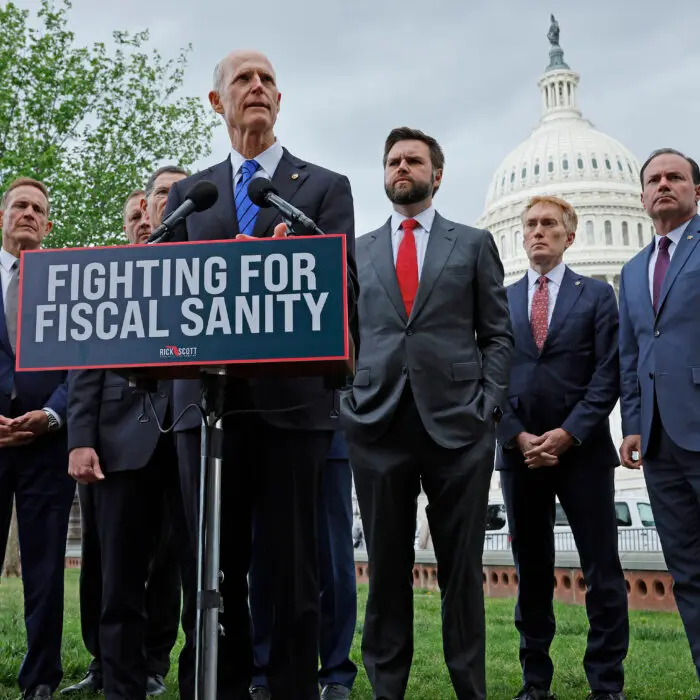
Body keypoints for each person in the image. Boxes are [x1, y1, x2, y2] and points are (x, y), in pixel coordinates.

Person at [163, 49, 357, 700]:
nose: (257, 87)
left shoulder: (323, 188)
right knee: (212, 576)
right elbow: (163, 293)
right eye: (242, 79)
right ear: (217, 102)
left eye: (268, 79)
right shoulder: (195, 194)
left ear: (280, 101)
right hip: (206, 411)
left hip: (292, 410)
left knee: (293, 581)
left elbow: (344, 289)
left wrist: (285, 270)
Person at [340, 126, 513, 700]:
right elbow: (346, 335)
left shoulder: (472, 243)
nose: (402, 167)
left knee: (460, 571)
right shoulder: (358, 251)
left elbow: (496, 333)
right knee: (386, 568)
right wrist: (348, 399)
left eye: (414, 160)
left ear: (436, 175)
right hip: (377, 423)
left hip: (459, 428)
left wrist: (487, 404)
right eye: (393, 161)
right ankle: (386, 688)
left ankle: (471, 688)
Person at [496, 195, 629, 700]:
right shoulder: (500, 300)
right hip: (519, 456)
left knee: (602, 571)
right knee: (531, 572)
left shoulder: (596, 295)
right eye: (530, 224)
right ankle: (535, 682)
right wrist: (515, 434)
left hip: (585, 455)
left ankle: (606, 683)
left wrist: (568, 433)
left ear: (569, 236)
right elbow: (487, 377)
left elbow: (607, 373)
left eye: (549, 224)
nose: (538, 232)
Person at [66, 166, 191, 700]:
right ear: (145, 209)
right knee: (116, 572)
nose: (167, 202)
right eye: (161, 193)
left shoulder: (210, 268)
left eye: (178, 192)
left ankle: (171, 670)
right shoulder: (109, 273)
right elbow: (84, 364)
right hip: (119, 440)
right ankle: (119, 683)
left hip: (191, 438)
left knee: (189, 572)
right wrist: (79, 437)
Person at [619, 148, 700, 699]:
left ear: (697, 190)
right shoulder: (631, 270)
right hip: (660, 441)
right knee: (689, 573)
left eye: (675, 177)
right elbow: (630, 355)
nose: (663, 185)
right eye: (654, 179)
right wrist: (631, 424)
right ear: (642, 196)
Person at [0, 177, 73, 699]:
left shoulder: (68, 282)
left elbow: (85, 364)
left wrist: (52, 414)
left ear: (47, 225)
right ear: (2, 215)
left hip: (47, 444)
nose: (28, 213)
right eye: (19, 205)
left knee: (45, 571)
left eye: (37, 209)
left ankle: (41, 679)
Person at [249, 430, 358, 700]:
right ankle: (262, 670)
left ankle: (336, 672)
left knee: (335, 561)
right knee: (263, 558)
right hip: (266, 429)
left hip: (331, 430)